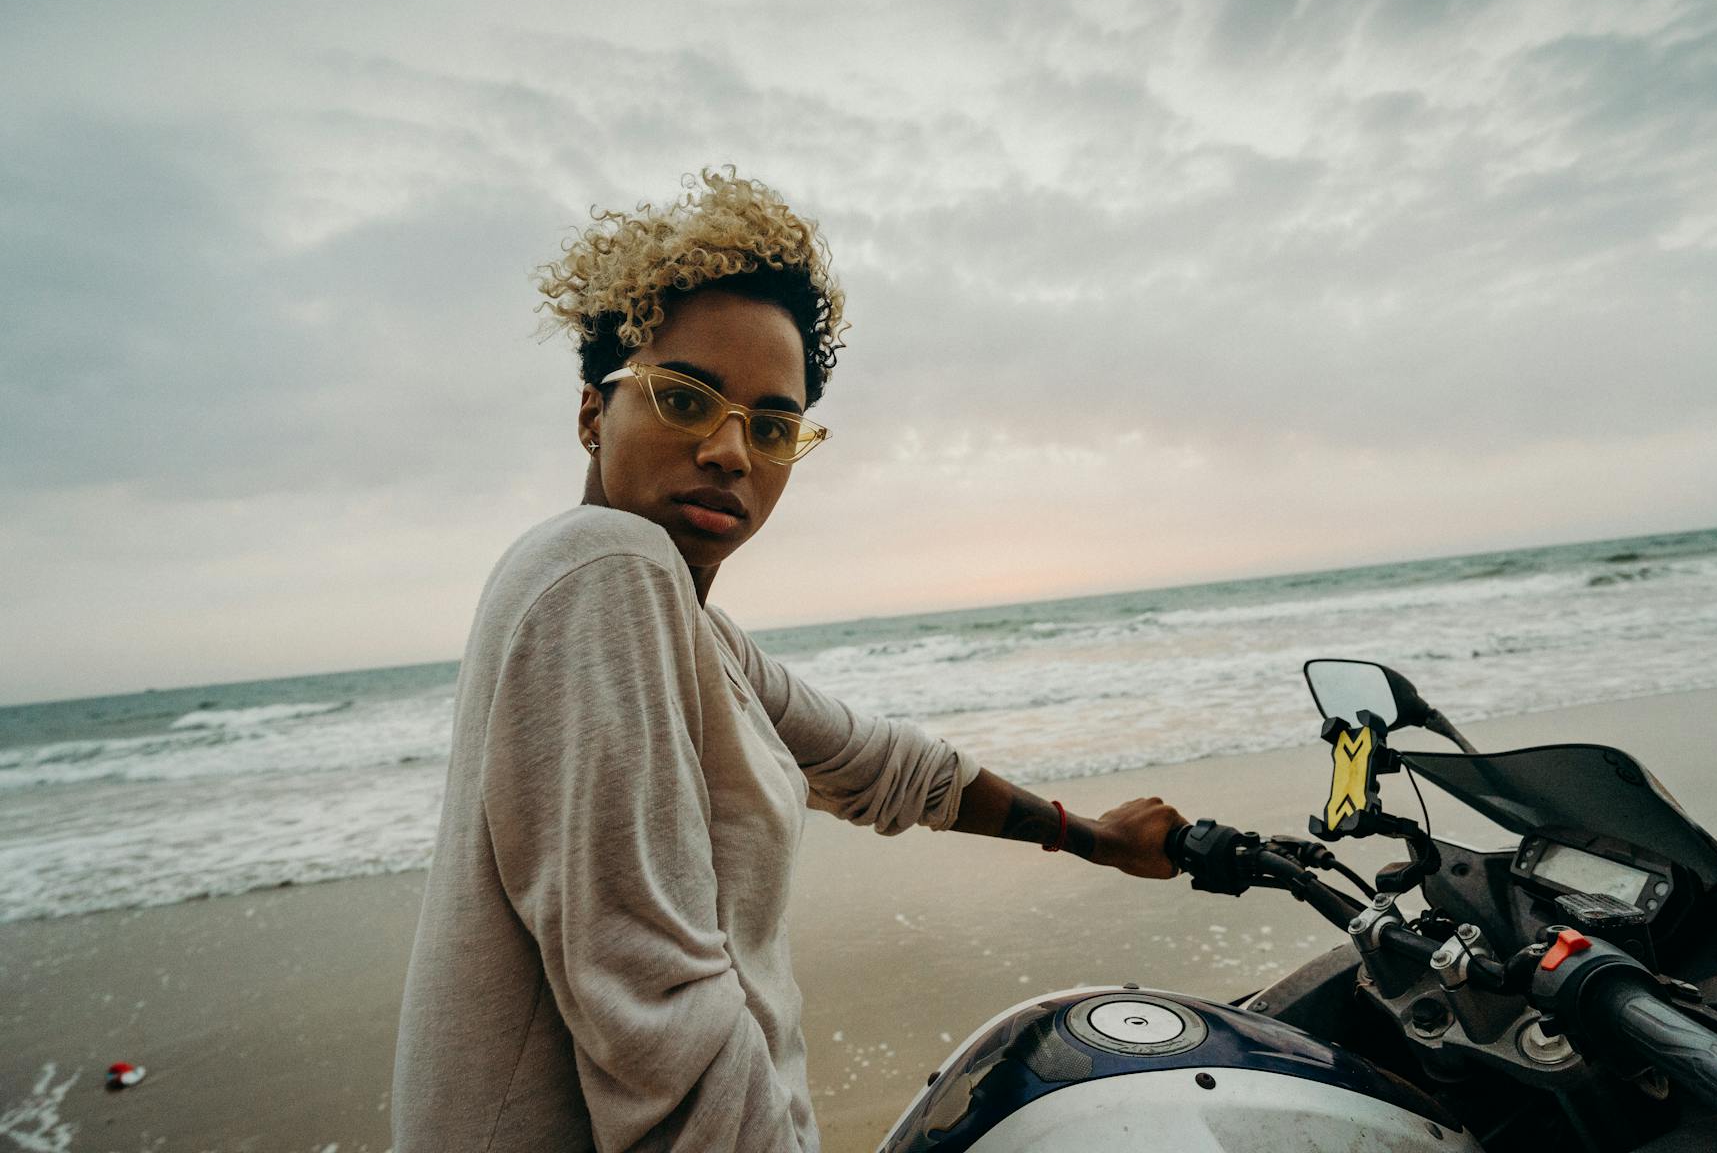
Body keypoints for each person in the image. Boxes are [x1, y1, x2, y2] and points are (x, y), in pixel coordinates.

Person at [390, 169, 1184, 1152]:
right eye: (685, 399)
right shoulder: (604, 566)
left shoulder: (691, 631)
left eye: (771, 425)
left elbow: (886, 766)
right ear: (594, 411)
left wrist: (1091, 833)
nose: (730, 451)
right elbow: (658, 1014)